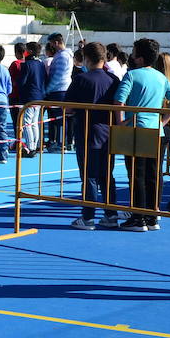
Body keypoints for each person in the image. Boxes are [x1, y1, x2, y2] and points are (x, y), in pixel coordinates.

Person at [115, 39, 170, 231]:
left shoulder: (132, 75)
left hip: (136, 129)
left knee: (136, 174)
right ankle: (152, 217)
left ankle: (138, 218)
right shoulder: (160, 77)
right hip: (155, 130)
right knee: (152, 174)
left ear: (139, 57)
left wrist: (120, 123)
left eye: (134, 52)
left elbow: (119, 101)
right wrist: (164, 121)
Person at [64, 41, 120, 229]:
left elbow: (69, 107)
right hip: (108, 133)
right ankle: (111, 215)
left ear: (86, 59)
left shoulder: (81, 79)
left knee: (89, 176)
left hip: (87, 133)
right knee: (107, 176)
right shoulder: (113, 80)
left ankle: (88, 217)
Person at [17, 41, 47, 156]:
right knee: (34, 123)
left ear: (29, 51)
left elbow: (22, 82)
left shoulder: (26, 65)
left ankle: (30, 147)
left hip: (29, 97)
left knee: (27, 123)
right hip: (39, 96)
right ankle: (35, 145)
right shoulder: (40, 64)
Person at [43, 34, 73, 151]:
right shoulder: (61, 55)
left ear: (56, 43)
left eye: (51, 43)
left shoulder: (63, 56)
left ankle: (62, 143)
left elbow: (57, 76)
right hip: (59, 90)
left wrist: (47, 89)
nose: (50, 46)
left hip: (60, 90)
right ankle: (58, 142)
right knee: (57, 119)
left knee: (60, 119)